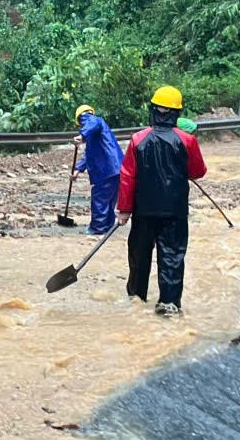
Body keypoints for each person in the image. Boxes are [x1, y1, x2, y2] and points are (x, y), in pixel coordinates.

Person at [116, 87, 207, 316]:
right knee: (172, 257)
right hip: (174, 212)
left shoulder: (138, 139)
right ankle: (169, 303)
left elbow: (127, 176)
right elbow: (198, 171)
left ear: (153, 108)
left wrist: (124, 210)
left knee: (139, 255)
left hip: (143, 211)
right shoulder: (187, 141)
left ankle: (136, 299)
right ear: (177, 111)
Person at [70, 105, 123, 234]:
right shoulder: (95, 135)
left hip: (106, 169)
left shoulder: (93, 120)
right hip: (117, 168)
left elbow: (93, 122)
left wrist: (82, 136)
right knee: (109, 200)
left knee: (100, 198)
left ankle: (97, 228)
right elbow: (89, 154)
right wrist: (77, 170)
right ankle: (107, 226)